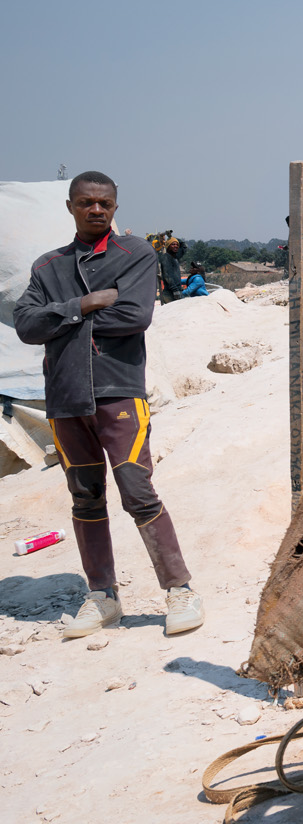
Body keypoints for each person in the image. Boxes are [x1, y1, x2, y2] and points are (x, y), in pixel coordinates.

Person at [14, 172, 206, 640]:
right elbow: (24, 323)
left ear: (115, 207)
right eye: (86, 202)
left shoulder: (135, 253)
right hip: (64, 398)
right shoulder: (48, 266)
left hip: (117, 392)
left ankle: (179, 590)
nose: (95, 210)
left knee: (137, 491)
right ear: (70, 207)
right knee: (85, 497)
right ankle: (102, 596)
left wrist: (57, 318)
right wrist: (83, 305)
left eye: (104, 203)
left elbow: (134, 316)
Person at [157, 237, 184, 303]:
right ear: (168, 247)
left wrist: (174, 238)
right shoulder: (166, 257)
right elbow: (167, 275)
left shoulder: (175, 257)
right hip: (170, 293)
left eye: (177, 244)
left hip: (177, 291)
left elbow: (184, 248)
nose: (176, 246)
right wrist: (174, 290)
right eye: (173, 244)